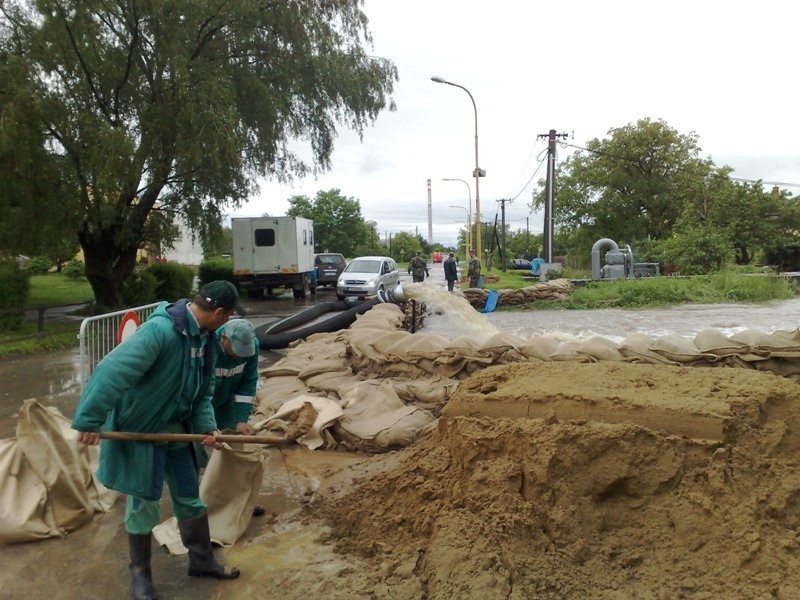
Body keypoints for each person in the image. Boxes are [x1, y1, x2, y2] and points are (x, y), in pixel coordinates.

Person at [72, 280, 245, 600]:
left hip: (176, 429)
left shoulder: (206, 340)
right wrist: (89, 419)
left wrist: (207, 427)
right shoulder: (161, 332)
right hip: (142, 429)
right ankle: (140, 578)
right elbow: (112, 372)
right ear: (219, 312)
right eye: (229, 315)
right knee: (143, 505)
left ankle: (202, 560)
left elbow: (203, 390)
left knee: (189, 498)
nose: (228, 322)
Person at [209, 317, 265, 517]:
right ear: (223, 339)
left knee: (233, 451)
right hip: (200, 405)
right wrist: (206, 424)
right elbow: (199, 389)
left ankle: (238, 502)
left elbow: (248, 382)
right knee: (202, 453)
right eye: (235, 351)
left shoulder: (252, 347)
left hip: (227, 404)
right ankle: (204, 500)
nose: (237, 357)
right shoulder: (208, 345)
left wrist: (241, 420)